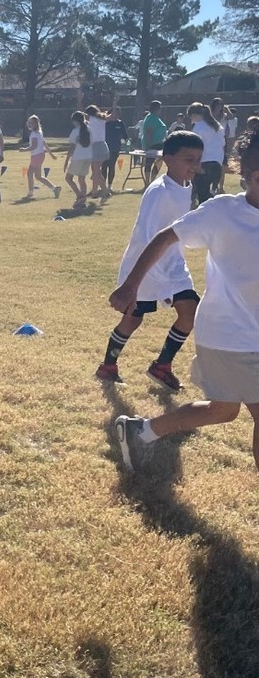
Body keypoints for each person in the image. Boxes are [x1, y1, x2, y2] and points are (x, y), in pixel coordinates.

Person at [113, 126, 259, 474]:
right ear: (255, 177)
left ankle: (140, 431)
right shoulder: (223, 212)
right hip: (230, 335)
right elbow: (165, 237)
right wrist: (130, 286)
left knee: (222, 411)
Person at [96, 131, 204, 390]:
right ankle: (108, 366)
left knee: (190, 311)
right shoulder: (159, 191)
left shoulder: (186, 186)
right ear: (168, 159)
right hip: (146, 266)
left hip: (173, 265)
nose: (195, 166)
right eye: (188, 159)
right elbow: (147, 236)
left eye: (198, 159)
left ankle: (162, 365)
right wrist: (133, 284)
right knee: (133, 319)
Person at [188, 101, 224, 206]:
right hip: (217, 165)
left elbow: (195, 148)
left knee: (202, 198)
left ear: (193, 115)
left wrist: (197, 165)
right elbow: (222, 145)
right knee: (209, 196)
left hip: (204, 164)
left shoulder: (198, 127)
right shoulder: (217, 126)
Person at [20, 115, 61, 198]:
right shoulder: (39, 132)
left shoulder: (35, 134)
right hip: (39, 155)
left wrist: (24, 149)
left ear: (35, 124)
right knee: (36, 175)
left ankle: (31, 193)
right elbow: (44, 143)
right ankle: (54, 189)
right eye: (28, 122)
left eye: (31, 123)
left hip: (36, 156)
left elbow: (34, 146)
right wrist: (51, 154)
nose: (29, 124)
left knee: (32, 174)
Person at [63, 111, 93, 208]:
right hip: (88, 157)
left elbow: (72, 148)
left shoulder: (75, 131)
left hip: (78, 158)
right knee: (81, 178)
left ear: (76, 121)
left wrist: (66, 161)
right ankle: (82, 199)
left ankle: (80, 196)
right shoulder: (89, 130)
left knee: (68, 178)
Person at [84, 105, 111, 199]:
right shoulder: (101, 119)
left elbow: (80, 114)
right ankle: (94, 191)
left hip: (96, 147)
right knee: (95, 171)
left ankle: (105, 190)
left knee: (96, 171)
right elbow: (111, 115)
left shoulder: (91, 119)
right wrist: (115, 103)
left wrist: (79, 101)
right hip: (103, 146)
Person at [140, 101, 168, 184]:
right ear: (156, 109)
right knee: (149, 163)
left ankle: (152, 181)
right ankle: (147, 183)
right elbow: (148, 132)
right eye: (160, 108)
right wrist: (148, 146)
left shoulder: (155, 117)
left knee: (159, 162)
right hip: (153, 145)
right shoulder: (151, 118)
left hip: (159, 144)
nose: (160, 110)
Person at [103, 108, 129, 193]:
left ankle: (110, 186)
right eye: (114, 113)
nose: (116, 115)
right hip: (105, 148)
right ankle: (102, 186)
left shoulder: (120, 123)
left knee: (111, 166)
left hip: (115, 148)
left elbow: (125, 136)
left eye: (117, 114)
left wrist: (129, 145)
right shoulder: (105, 123)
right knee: (103, 167)